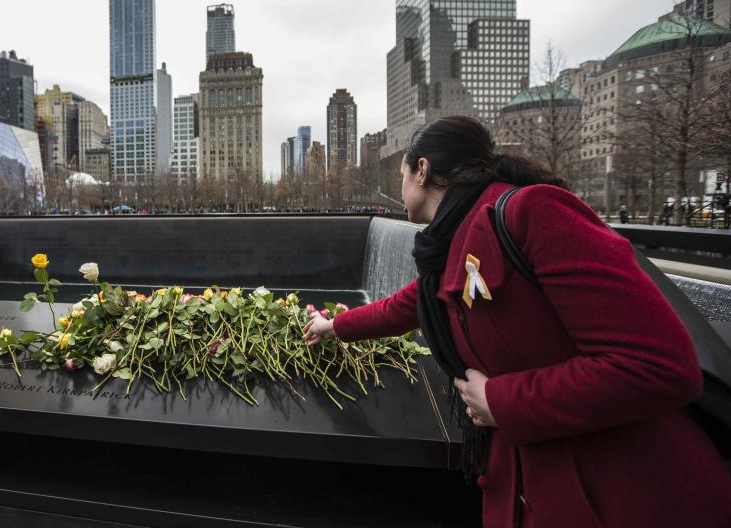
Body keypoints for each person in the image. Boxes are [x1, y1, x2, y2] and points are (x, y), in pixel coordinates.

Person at [302, 115, 731, 527]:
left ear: (422, 170)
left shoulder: (534, 213)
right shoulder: (453, 239)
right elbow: (406, 306)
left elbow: (661, 367)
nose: (400, 183)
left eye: (401, 173)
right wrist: (332, 327)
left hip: (625, 497)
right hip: (533, 489)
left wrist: (501, 401)